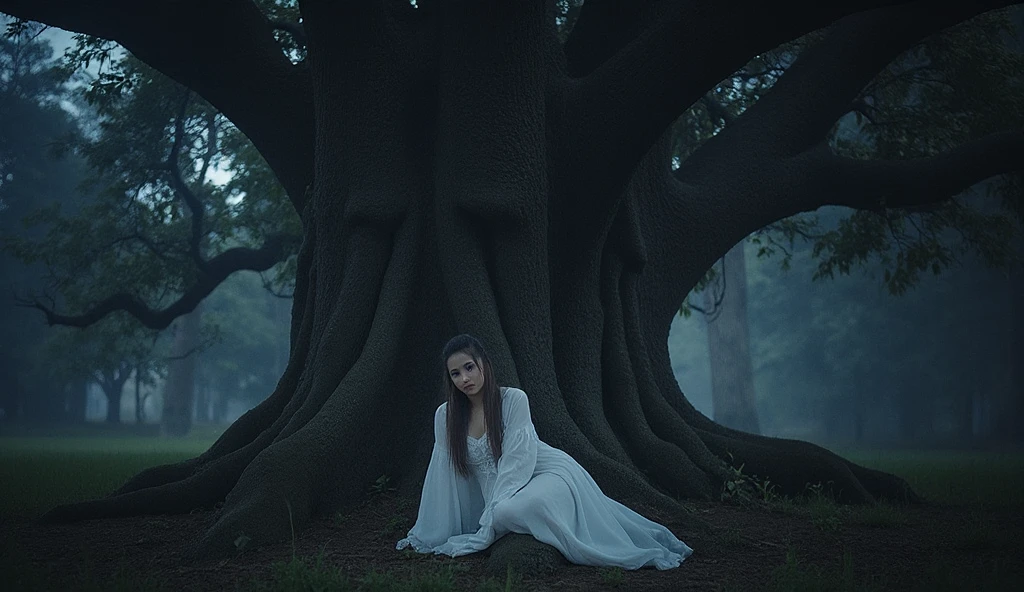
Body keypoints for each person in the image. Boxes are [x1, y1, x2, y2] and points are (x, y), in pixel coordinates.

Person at [396, 334, 693, 570]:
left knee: (513, 509)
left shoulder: (513, 400)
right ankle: (504, 514)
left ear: (484, 363)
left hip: (542, 474)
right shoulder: (445, 416)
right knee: (505, 510)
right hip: (503, 495)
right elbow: (443, 478)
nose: (464, 379)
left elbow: (517, 462)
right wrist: (434, 530)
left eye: (469, 367)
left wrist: (491, 514)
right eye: (455, 374)